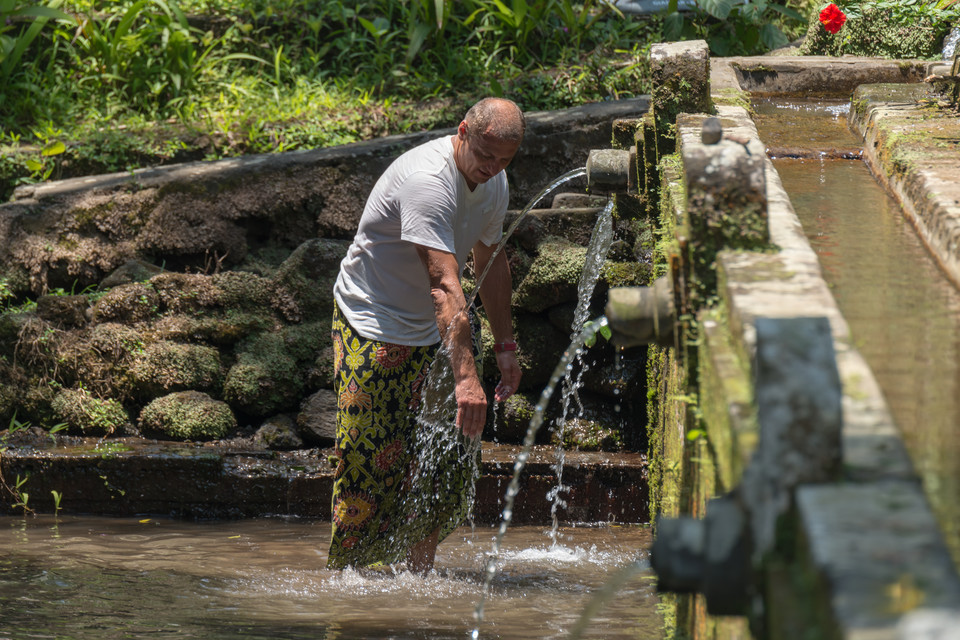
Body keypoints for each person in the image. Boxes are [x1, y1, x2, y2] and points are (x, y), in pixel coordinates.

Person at [328, 97, 525, 573]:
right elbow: (443, 283)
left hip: (445, 329)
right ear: (462, 131)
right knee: (369, 464)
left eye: (504, 160)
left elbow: (491, 260)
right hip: (376, 324)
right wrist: (466, 379)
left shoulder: (494, 180)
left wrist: (505, 345)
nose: (492, 168)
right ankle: (350, 587)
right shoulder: (427, 182)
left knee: (440, 465)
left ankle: (417, 580)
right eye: (485, 154)